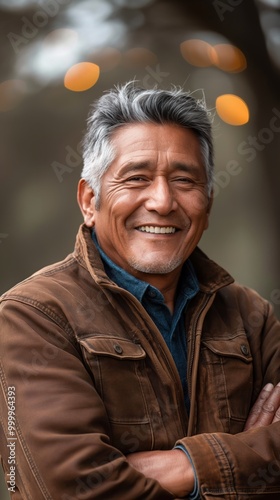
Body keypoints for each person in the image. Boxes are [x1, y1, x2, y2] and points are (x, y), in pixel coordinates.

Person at [0, 81, 280, 500]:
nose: (163, 201)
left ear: (208, 203)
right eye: (136, 177)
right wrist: (247, 460)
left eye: (185, 180)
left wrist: (184, 467)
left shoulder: (250, 315)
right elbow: (72, 490)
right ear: (89, 201)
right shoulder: (32, 315)